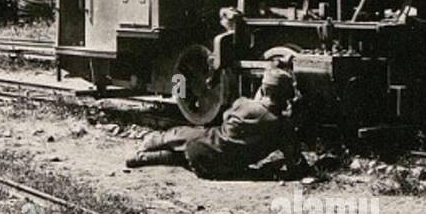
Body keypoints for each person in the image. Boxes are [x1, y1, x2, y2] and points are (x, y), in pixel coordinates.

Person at [127, 67, 312, 180]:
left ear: (263, 89)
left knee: (181, 135)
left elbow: (225, 116)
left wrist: (256, 101)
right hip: (224, 167)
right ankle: (145, 157)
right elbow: (295, 164)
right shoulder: (283, 126)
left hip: (204, 147)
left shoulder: (244, 104)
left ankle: (144, 152)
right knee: (188, 156)